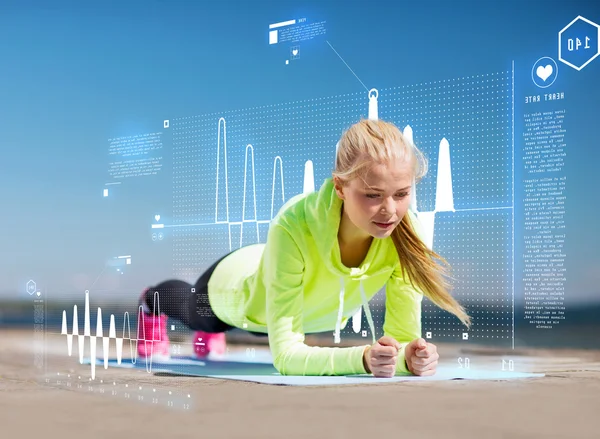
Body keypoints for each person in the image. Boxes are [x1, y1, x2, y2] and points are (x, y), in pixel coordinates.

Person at [137, 118, 471, 377]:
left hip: (288, 292)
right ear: (340, 187)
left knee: (266, 327)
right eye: (372, 195)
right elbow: (285, 357)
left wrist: (410, 357)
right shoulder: (293, 223)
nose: (390, 210)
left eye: (401, 194)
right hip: (237, 290)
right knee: (201, 316)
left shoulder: (407, 233)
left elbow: (399, 343)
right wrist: (364, 359)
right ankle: (150, 302)